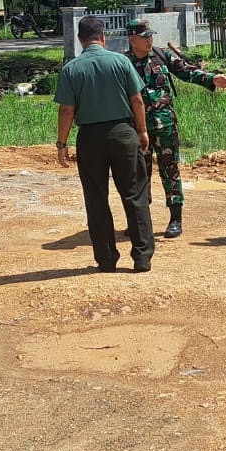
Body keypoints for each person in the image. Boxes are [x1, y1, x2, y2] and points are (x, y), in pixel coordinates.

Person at [125, 17, 226, 239]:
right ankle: (140, 220)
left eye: (150, 35)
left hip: (165, 125)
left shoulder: (162, 56)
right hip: (137, 128)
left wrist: (212, 79)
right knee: (138, 174)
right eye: (144, 37)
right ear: (132, 39)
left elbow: (188, 72)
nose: (149, 40)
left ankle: (175, 219)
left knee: (170, 170)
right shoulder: (123, 63)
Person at [56, 16, 155, 272]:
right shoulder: (121, 62)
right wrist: (142, 131)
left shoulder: (71, 69)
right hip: (123, 133)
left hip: (90, 138)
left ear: (80, 39)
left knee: (96, 198)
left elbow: (67, 110)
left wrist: (61, 143)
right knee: (135, 194)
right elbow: (137, 100)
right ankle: (142, 257)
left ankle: (107, 259)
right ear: (103, 37)